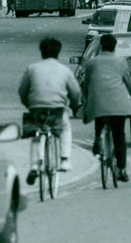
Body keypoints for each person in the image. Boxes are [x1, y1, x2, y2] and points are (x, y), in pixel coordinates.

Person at [18, 37, 82, 185]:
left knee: (35, 136)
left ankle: (34, 165)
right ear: (58, 52)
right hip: (57, 110)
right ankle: (65, 159)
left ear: (42, 52)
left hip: (36, 109)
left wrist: (29, 105)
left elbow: (22, 91)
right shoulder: (65, 70)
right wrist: (74, 105)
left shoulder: (32, 69)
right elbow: (75, 93)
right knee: (65, 128)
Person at [81, 33, 131, 182]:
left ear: (101, 46)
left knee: (100, 116)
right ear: (114, 46)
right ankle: (122, 169)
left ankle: (98, 138)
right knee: (119, 135)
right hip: (118, 103)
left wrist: (86, 98)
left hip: (98, 102)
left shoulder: (92, 63)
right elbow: (128, 82)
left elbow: (86, 84)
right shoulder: (121, 62)